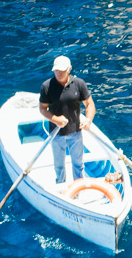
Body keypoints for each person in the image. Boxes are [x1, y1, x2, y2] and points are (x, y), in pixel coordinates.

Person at [38, 56, 96, 185]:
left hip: (75, 133)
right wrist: (55, 119)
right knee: (59, 166)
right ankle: (61, 187)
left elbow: (89, 104)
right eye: (56, 70)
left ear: (69, 69)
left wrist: (88, 121)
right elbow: (42, 109)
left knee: (78, 165)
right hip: (56, 134)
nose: (58, 73)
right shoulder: (47, 86)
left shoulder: (79, 84)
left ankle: (78, 188)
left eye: (61, 70)